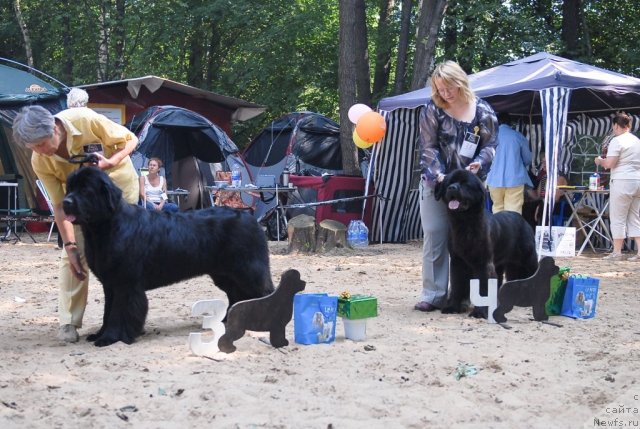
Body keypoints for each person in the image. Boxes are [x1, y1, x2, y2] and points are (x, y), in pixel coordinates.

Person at [12, 105, 139, 342]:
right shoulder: (40, 161)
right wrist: (70, 245)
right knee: (73, 257)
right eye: (34, 148)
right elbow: (59, 206)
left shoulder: (85, 120)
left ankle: (127, 317)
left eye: (41, 144)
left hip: (118, 193)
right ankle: (68, 322)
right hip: (80, 205)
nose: (41, 151)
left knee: (123, 256)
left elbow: (131, 140)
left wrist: (110, 162)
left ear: (54, 128)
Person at [414, 60, 498, 312]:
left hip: (470, 187)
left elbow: (490, 146)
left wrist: (478, 165)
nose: (444, 93)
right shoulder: (432, 109)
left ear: (460, 82)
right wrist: (439, 175)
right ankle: (434, 294)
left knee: (475, 240)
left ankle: (473, 296)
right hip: (437, 183)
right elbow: (427, 148)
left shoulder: (484, 111)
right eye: (439, 89)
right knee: (435, 233)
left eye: (448, 87)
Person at [594, 112, 640, 260]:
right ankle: (639, 252)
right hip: (637, 181)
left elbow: (609, 164)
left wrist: (600, 161)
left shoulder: (617, 140)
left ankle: (617, 252)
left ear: (615, 125)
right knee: (635, 217)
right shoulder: (637, 140)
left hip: (622, 181)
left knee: (618, 217)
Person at [486, 113, 533, 214]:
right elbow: (528, 159)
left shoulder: (490, 138)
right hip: (515, 178)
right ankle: (512, 230)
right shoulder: (518, 136)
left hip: (494, 180)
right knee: (513, 210)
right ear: (511, 123)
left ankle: (499, 230)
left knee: (497, 208)